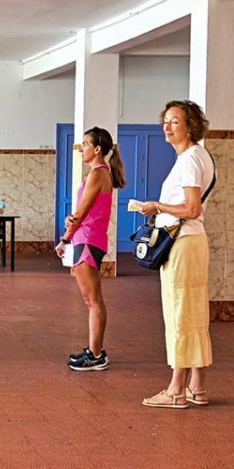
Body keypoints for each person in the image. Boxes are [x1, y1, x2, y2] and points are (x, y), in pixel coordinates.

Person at [137, 100, 216, 409]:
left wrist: (156, 206)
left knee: (179, 313)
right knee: (193, 312)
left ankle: (176, 390)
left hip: (183, 242)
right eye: (165, 121)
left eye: (174, 121)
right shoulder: (198, 156)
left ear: (190, 126)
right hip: (192, 242)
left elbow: (191, 208)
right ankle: (197, 386)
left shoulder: (190, 160)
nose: (167, 127)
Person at [55, 126, 126, 371]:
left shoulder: (98, 174)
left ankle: (96, 355)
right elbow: (83, 212)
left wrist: (64, 238)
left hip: (87, 240)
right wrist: (71, 223)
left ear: (97, 149)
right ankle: (94, 350)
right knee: (90, 300)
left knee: (93, 301)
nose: (82, 148)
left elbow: (82, 212)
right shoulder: (98, 174)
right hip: (88, 238)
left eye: (85, 144)